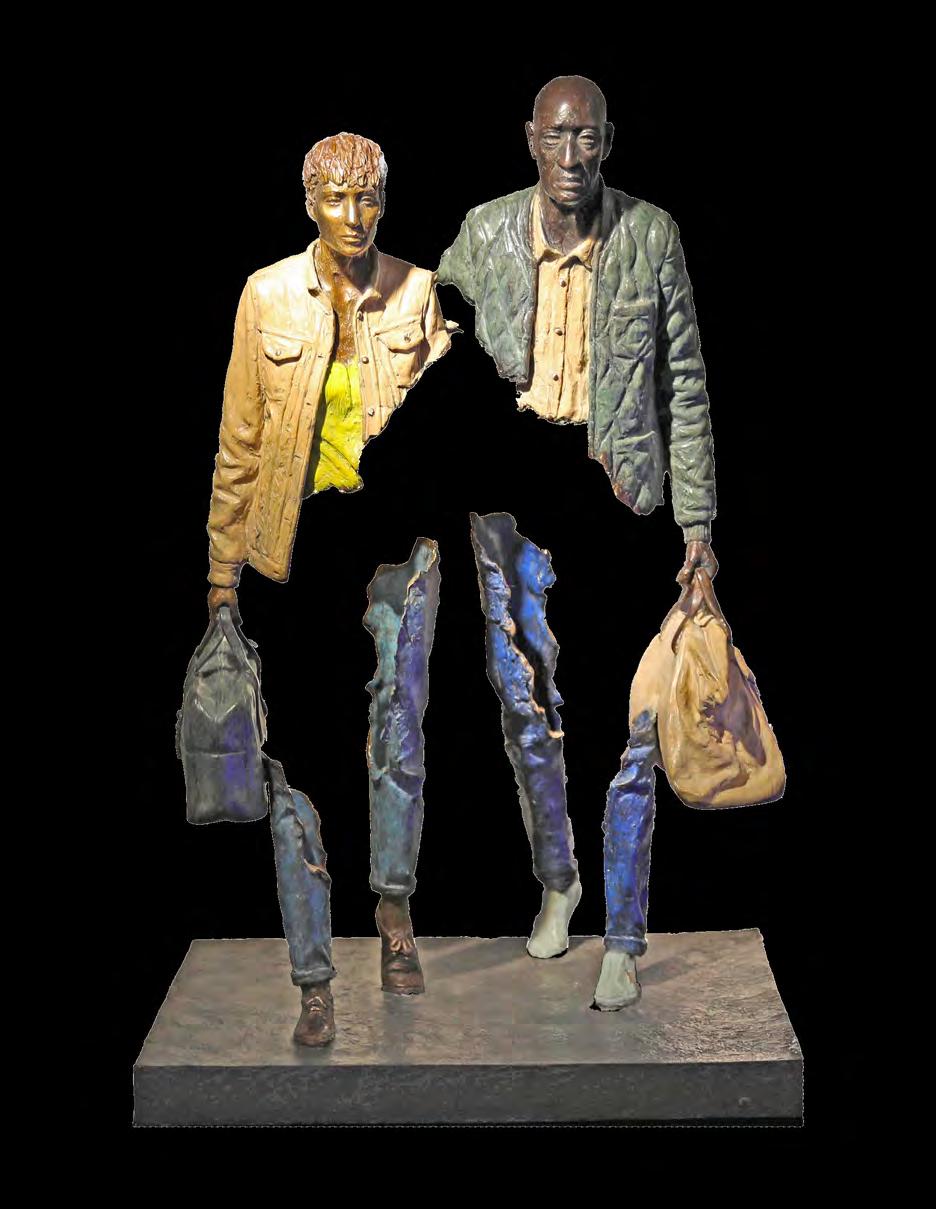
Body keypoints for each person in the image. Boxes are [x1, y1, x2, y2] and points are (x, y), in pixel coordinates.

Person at [437, 76, 719, 1008]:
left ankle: (625, 934)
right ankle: (559, 878)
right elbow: (430, 347)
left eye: (586, 138)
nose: (570, 157)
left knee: (631, 724)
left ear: (608, 142)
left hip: (618, 502)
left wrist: (697, 523)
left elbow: (685, 385)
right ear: (530, 140)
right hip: (512, 511)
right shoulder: (485, 233)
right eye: (555, 138)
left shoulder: (650, 236)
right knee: (525, 707)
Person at [204, 132, 455, 1044]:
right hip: (293, 556)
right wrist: (221, 572)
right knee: (293, 768)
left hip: (396, 560)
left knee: (399, 736)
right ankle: (313, 973)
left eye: (370, 197)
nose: (355, 215)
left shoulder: (418, 292)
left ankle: (394, 910)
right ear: (309, 200)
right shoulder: (267, 295)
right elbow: (239, 441)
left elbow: (451, 428)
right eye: (338, 197)